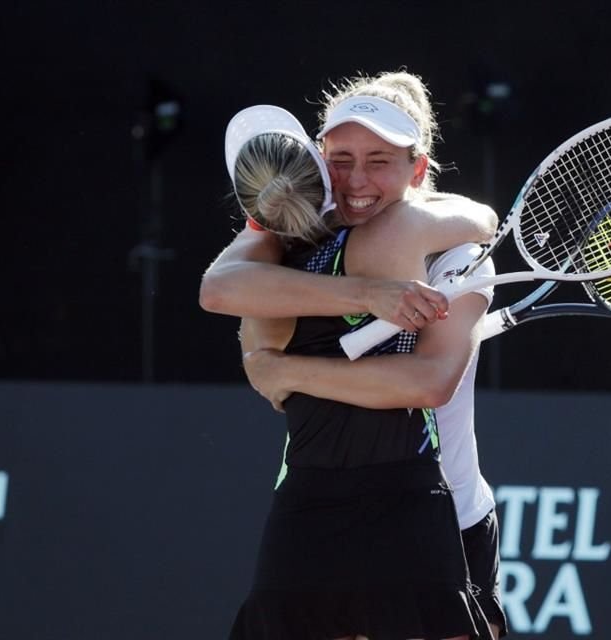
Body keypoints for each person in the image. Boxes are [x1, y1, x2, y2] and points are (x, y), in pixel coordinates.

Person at [200, 71, 505, 640]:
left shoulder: (455, 247)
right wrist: (365, 294)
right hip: (317, 500)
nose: (356, 179)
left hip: (449, 510)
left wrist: (287, 370)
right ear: (318, 159)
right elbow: (219, 290)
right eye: (341, 159)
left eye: (379, 160)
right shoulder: (287, 235)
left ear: (418, 168)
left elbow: (430, 381)